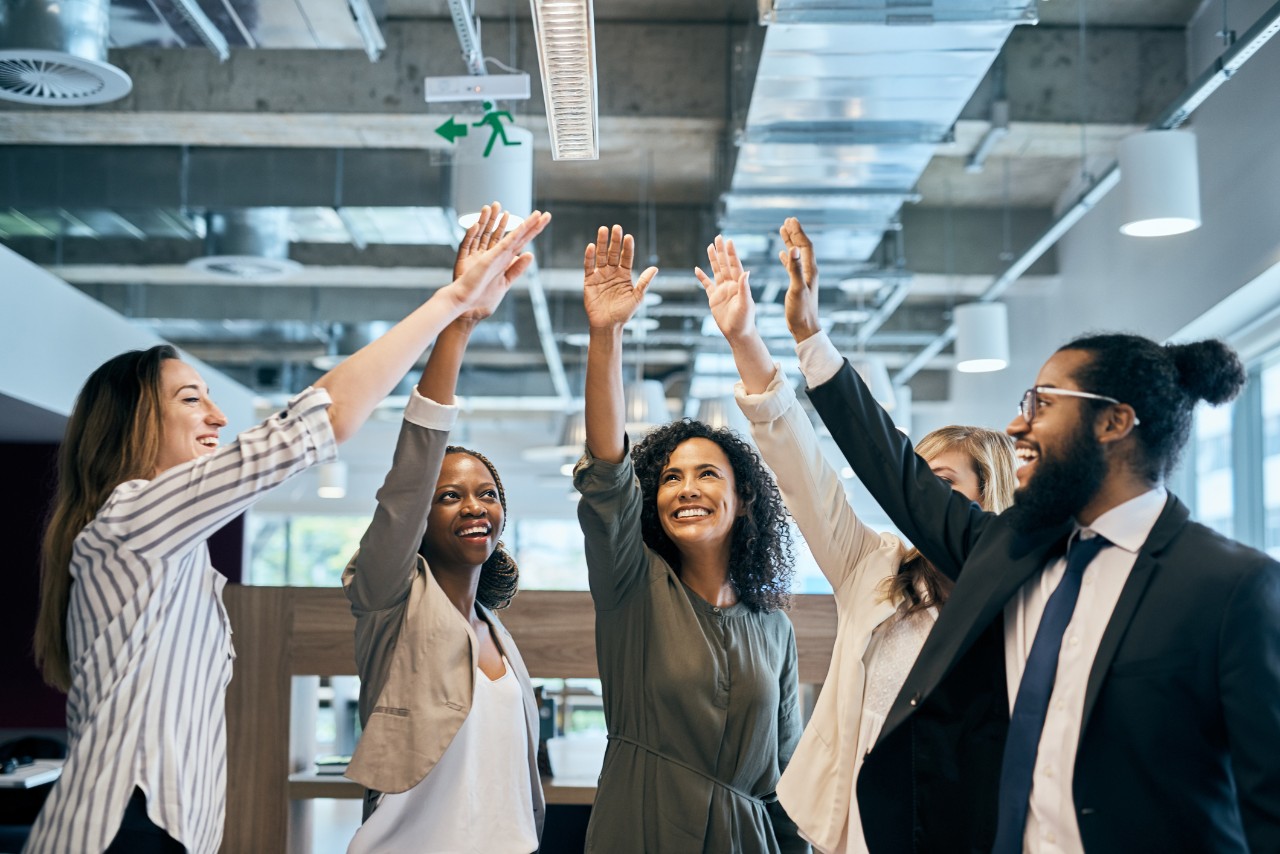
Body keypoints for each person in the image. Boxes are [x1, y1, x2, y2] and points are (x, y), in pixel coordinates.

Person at [26, 205, 550, 854]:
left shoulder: (173, 557)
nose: (218, 415)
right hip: (121, 831)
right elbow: (316, 425)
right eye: (191, 398)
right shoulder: (132, 520)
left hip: (163, 832)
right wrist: (452, 306)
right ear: (133, 424)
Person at [776, 217, 1280, 854]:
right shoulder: (1009, 549)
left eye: (1042, 404)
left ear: (1114, 422)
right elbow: (898, 474)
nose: (1017, 426)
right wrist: (811, 338)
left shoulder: (1231, 586)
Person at [695, 235, 1018, 854]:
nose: (921, 501)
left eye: (942, 484)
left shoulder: (1019, 598)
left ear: (989, 496)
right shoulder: (873, 567)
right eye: (918, 480)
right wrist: (746, 341)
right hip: (859, 833)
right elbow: (803, 467)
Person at [573, 224, 808, 852]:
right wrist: (606, 335)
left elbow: (787, 778)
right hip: (642, 832)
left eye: (707, 474)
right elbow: (607, 475)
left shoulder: (774, 628)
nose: (686, 489)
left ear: (744, 498)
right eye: (671, 478)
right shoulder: (631, 586)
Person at [344, 204, 543, 854]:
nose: (474, 507)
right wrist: (459, 324)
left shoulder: (497, 633)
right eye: (450, 497)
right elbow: (409, 479)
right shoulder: (391, 602)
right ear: (421, 522)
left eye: (487, 494)